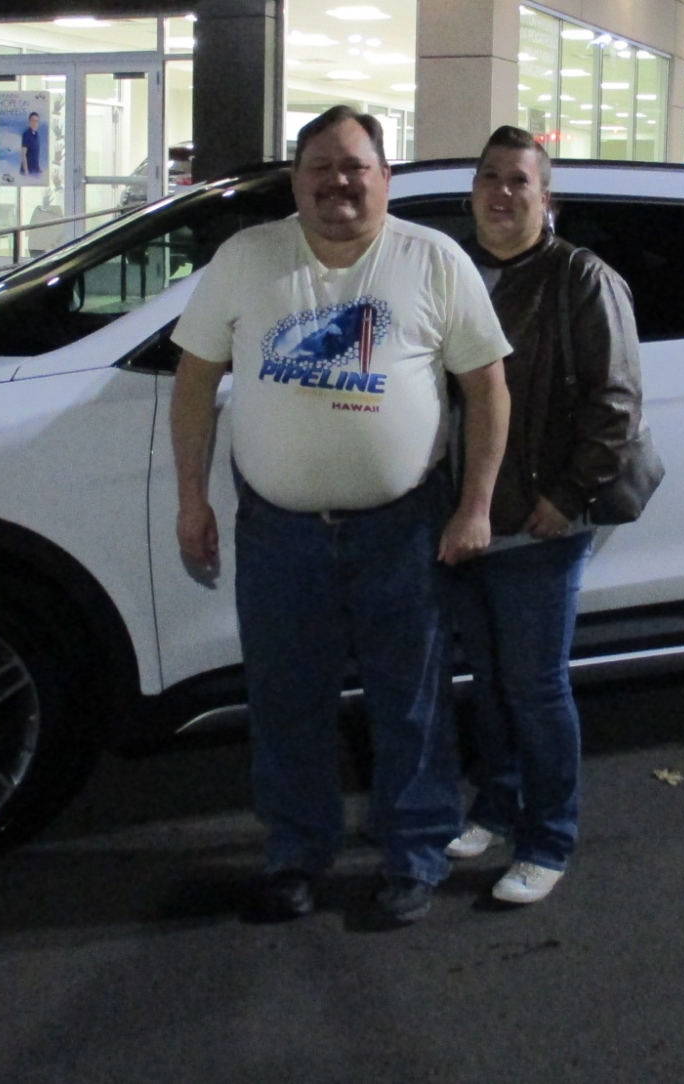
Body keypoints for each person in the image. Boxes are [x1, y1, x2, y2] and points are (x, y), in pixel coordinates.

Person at [171, 105, 510, 927]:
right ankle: (295, 853)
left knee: (411, 702)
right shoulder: (248, 258)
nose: (338, 182)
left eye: (355, 166)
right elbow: (194, 382)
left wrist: (475, 506)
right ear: (296, 180)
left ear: (385, 177)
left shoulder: (433, 260)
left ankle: (415, 853)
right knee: (286, 701)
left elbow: (487, 387)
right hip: (278, 532)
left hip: (403, 528)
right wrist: (191, 497)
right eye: (320, 166)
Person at [444, 125, 646, 905]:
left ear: (545, 195)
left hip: (536, 521)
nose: (501, 192)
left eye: (518, 180)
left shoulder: (580, 278)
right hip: (464, 518)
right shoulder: (456, 272)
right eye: (489, 177)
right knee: (490, 682)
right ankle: (497, 808)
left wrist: (567, 498)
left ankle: (548, 839)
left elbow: (616, 405)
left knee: (534, 687)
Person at [21, 111, 43, 178]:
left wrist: (39, 167)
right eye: (32, 121)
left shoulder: (36, 134)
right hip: (28, 171)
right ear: (29, 122)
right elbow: (23, 154)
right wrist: (26, 170)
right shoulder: (26, 134)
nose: (34, 123)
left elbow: (36, 153)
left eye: (36, 121)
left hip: (35, 170)